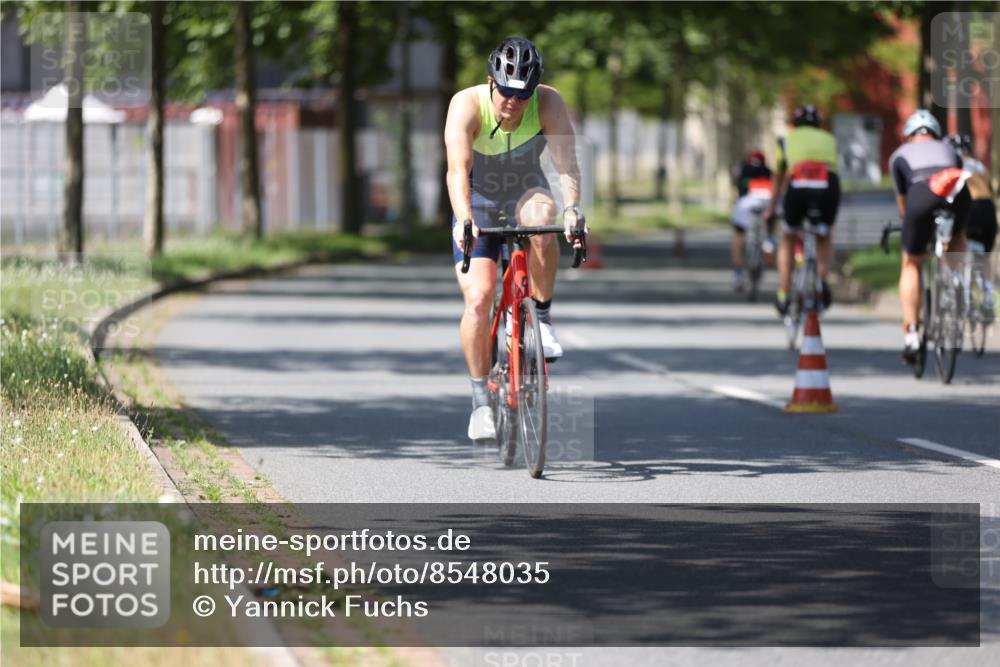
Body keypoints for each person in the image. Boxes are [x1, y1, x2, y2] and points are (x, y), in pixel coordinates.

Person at [444, 37, 586, 441]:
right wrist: (464, 219)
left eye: (522, 95)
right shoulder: (466, 104)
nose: (513, 102)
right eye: (506, 91)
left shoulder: (550, 103)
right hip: (477, 197)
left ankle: (539, 318)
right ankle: (479, 403)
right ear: (491, 82)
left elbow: (567, 165)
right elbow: (457, 170)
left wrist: (574, 210)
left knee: (545, 221)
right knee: (478, 299)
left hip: (526, 188)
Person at [888, 111, 970, 364]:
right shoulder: (949, 149)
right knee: (957, 233)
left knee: (911, 262)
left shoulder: (899, 155)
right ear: (935, 133)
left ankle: (912, 333)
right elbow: (957, 174)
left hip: (921, 194)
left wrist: (913, 229)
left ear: (909, 135)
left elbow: (904, 205)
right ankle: (956, 283)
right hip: (956, 191)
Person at [763, 104, 841, 315]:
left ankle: (784, 291)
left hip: (798, 186)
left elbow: (778, 178)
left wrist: (771, 209)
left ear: (795, 124)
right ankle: (823, 279)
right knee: (824, 234)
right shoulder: (830, 140)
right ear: (818, 124)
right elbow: (835, 172)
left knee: (788, 236)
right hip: (827, 186)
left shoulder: (786, 140)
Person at [946, 133, 996, 315]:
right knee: (983, 256)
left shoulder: (951, 164)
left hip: (969, 206)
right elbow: (989, 189)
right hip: (987, 208)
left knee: (953, 243)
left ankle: (958, 287)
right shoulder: (979, 166)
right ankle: (989, 294)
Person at [730, 150, 773, 291]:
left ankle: (738, 275)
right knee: (772, 224)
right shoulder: (768, 171)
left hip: (746, 204)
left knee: (738, 235)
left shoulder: (743, 170)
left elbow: (737, 187)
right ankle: (769, 243)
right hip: (767, 202)